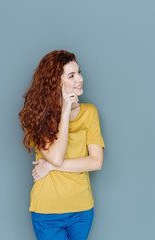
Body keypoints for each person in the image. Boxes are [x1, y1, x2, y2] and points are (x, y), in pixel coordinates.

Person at [18, 50, 106, 240]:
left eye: (79, 73)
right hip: (47, 211)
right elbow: (57, 156)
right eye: (71, 76)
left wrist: (50, 166)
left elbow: (96, 162)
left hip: (82, 210)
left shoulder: (90, 113)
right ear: (56, 82)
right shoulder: (36, 116)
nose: (80, 79)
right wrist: (65, 113)